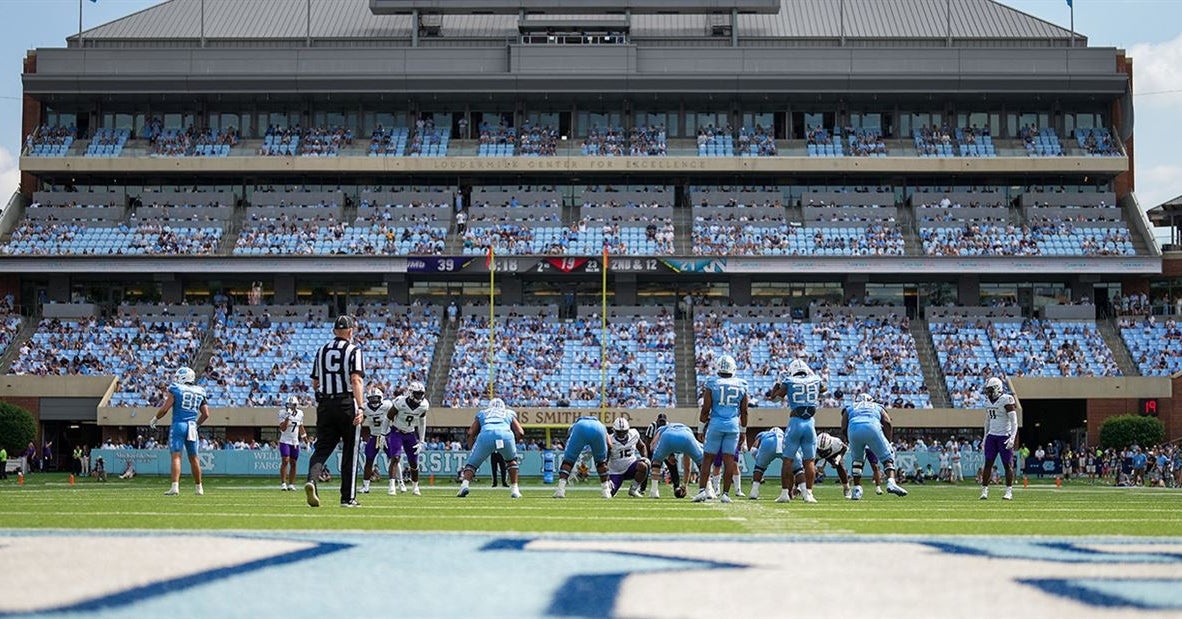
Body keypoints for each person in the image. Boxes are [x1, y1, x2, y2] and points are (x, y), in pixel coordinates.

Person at [305, 315, 366, 508]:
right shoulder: (353, 350)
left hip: (325, 404)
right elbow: (356, 379)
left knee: (322, 447)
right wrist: (361, 406)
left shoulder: (321, 350)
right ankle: (347, 498)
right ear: (351, 331)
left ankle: (312, 480)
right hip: (346, 403)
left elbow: (315, 382)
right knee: (350, 451)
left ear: (333, 332)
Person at [766, 358, 822, 503]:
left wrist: (779, 381)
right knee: (809, 460)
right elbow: (824, 388)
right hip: (810, 423)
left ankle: (785, 493)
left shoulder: (789, 381)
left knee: (788, 460)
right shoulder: (815, 379)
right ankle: (808, 493)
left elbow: (774, 398)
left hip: (795, 423)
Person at [693, 354, 748, 503]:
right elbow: (744, 411)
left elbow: (706, 409)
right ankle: (725, 494)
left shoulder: (712, 382)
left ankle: (702, 491)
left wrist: (700, 428)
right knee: (729, 460)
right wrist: (743, 431)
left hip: (716, 424)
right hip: (732, 425)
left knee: (708, 459)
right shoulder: (741, 384)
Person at [149, 366, 210, 496]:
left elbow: (165, 409)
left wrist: (155, 418)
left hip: (179, 424)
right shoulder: (200, 391)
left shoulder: (176, 389)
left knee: (176, 456)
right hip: (192, 426)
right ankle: (199, 488)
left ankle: (175, 487)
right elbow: (206, 414)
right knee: (194, 458)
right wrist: (196, 424)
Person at [842, 394, 907, 500]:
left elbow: (844, 426)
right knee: (887, 458)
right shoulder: (877, 406)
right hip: (872, 427)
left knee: (857, 461)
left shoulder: (850, 407)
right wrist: (888, 440)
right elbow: (887, 422)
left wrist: (848, 439)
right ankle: (891, 482)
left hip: (853, 429)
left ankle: (857, 489)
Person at [458, 398, 525, 498]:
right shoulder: (508, 412)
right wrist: (511, 443)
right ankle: (515, 489)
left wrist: (472, 448)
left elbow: (470, 433)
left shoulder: (483, 413)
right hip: (505, 435)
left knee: (472, 464)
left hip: (487, 434)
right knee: (511, 461)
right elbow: (520, 432)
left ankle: (464, 486)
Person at [386, 381, 429, 496]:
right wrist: (382, 434)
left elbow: (422, 423)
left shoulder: (424, 405)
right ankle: (392, 486)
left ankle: (415, 487)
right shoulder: (400, 402)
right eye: (417, 393)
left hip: (410, 433)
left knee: (414, 462)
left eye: (421, 394)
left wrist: (421, 440)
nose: (419, 396)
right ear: (410, 393)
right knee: (395, 457)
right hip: (397, 431)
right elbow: (388, 417)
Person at [553, 415, 613, 499]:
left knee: (568, 461)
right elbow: (610, 445)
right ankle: (606, 491)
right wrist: (605, 462)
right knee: (601, 462)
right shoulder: (602, 425)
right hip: (599, 428)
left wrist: (570, 461)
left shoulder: (574, 425)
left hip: (580, 427)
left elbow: (568, 444)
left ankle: (560, 490)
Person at [980, 376, 1018, 501]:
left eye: (990, 390)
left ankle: (1009, 492)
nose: (988, 392)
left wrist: (1012, 437)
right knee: (987, 464)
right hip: (992, 436)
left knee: (1007, 465)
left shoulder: (1006, 399)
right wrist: (985, 437)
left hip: (1004, 436)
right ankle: (984, 491)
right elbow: (987, 421)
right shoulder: (987, 401)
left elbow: (1014, 421)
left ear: (997, 388)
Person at [648, 421, 703, 499]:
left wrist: (666, 456)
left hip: (668, 436)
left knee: (656, 461)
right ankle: (708, 489)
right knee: (702, 462)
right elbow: (687, 467)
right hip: (687, 436)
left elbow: (652, 447)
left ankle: (654, 491)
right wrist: (684, 485)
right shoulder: (686, 429)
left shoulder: (661, 429)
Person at [360, 387, 393, 495]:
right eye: (372, 398)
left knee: (394, 459)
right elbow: (361, 418)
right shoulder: (365, 407)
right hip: (374, 436)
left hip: (386, 435)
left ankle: (398, 484)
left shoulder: (387, 405)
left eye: (376, 398)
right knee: (369, 461)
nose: (374, 400)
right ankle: (366, 486)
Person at [606, 417, 649, 498]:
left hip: (631, 467)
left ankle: (633, 489)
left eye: (624, 431)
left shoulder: (634, 434)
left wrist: (644, 457)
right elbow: (606, 458)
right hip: (615, 472)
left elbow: (642, 446)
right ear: (614, 430)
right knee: (609, 494)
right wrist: (606, 474)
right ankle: (613, 488)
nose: (622, 434)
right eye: (619, 432)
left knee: (644, 465)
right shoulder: (610, 440)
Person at [278, 395, 307, 491]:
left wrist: (304, 438)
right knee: (285, 460)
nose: (290, 407)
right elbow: (282, 428)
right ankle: (283, 483)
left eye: (292, 405)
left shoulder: (300, 413)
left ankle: (291, 484)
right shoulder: (282, 413)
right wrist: (288, 417)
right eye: (288, 405)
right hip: (285, 440)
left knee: (294, 463)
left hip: (295, 441)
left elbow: (301, 426)